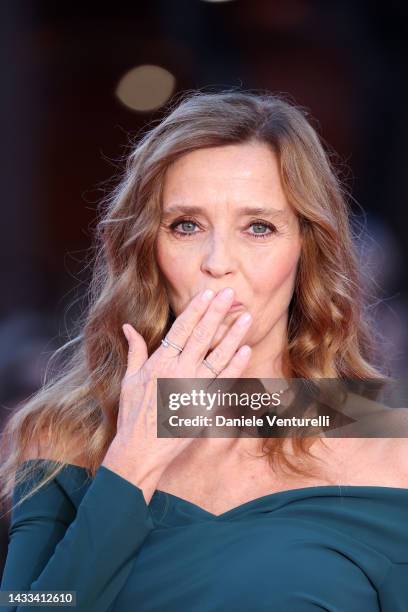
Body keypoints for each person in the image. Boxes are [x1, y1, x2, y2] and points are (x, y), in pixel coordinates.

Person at [0, 90, 407, 611]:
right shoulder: (69, 433)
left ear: (307, 250)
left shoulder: (388, 441)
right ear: (148, 247)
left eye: (258, 227)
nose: (218, 262)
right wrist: (130, 465)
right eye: (186, 226)